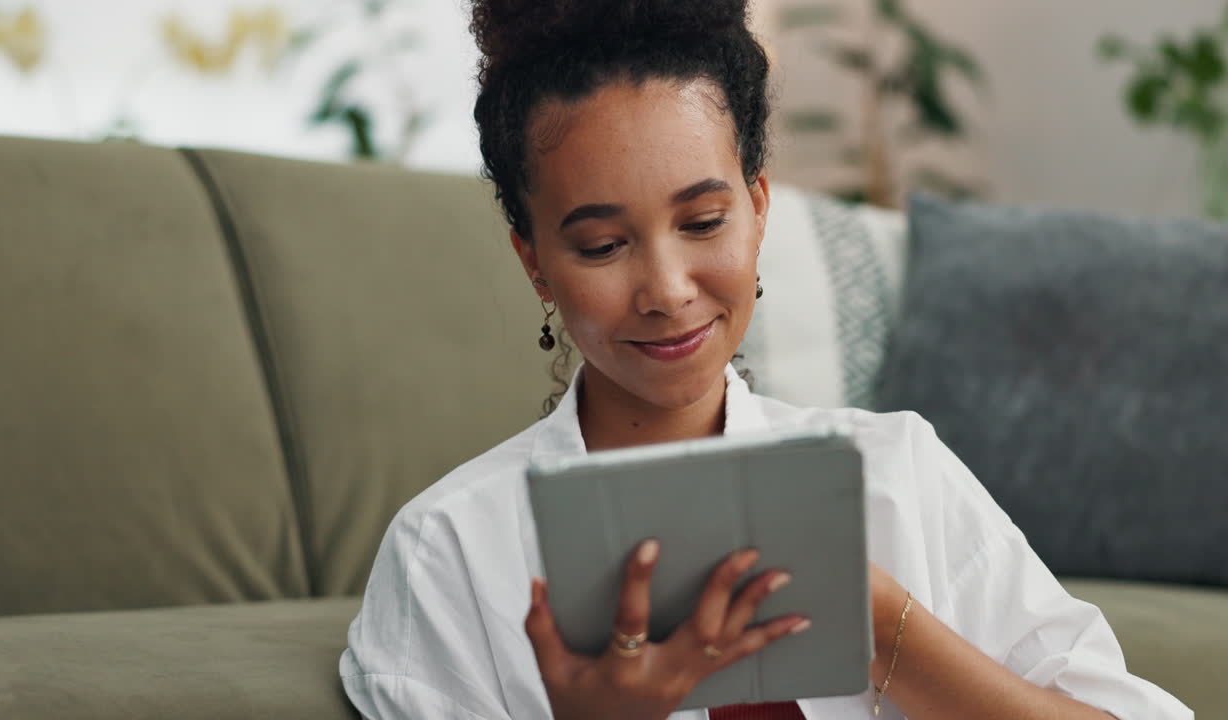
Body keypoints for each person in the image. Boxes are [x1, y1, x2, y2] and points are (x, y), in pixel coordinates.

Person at [340, 1, 1192, 718]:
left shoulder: (899, 475)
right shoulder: (450, 554)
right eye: (601, 245)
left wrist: (884, 625)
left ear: (756, 211)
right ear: (534, 263)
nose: (667, 290)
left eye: (703, 222)